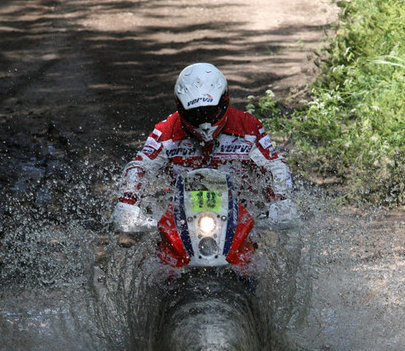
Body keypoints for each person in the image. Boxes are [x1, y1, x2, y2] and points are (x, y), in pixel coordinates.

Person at [112, 62, 298, 237]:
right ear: (180, 107)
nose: (204, 122)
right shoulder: (167, 130)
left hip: (242, 219)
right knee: (156, 267)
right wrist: (127, 202)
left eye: (210, 112)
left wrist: (281, 201)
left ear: (224, 100)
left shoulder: (247, 126)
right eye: (195, 114)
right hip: (181, 221)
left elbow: (274, 165)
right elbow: (140, 166)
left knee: (262, 267)